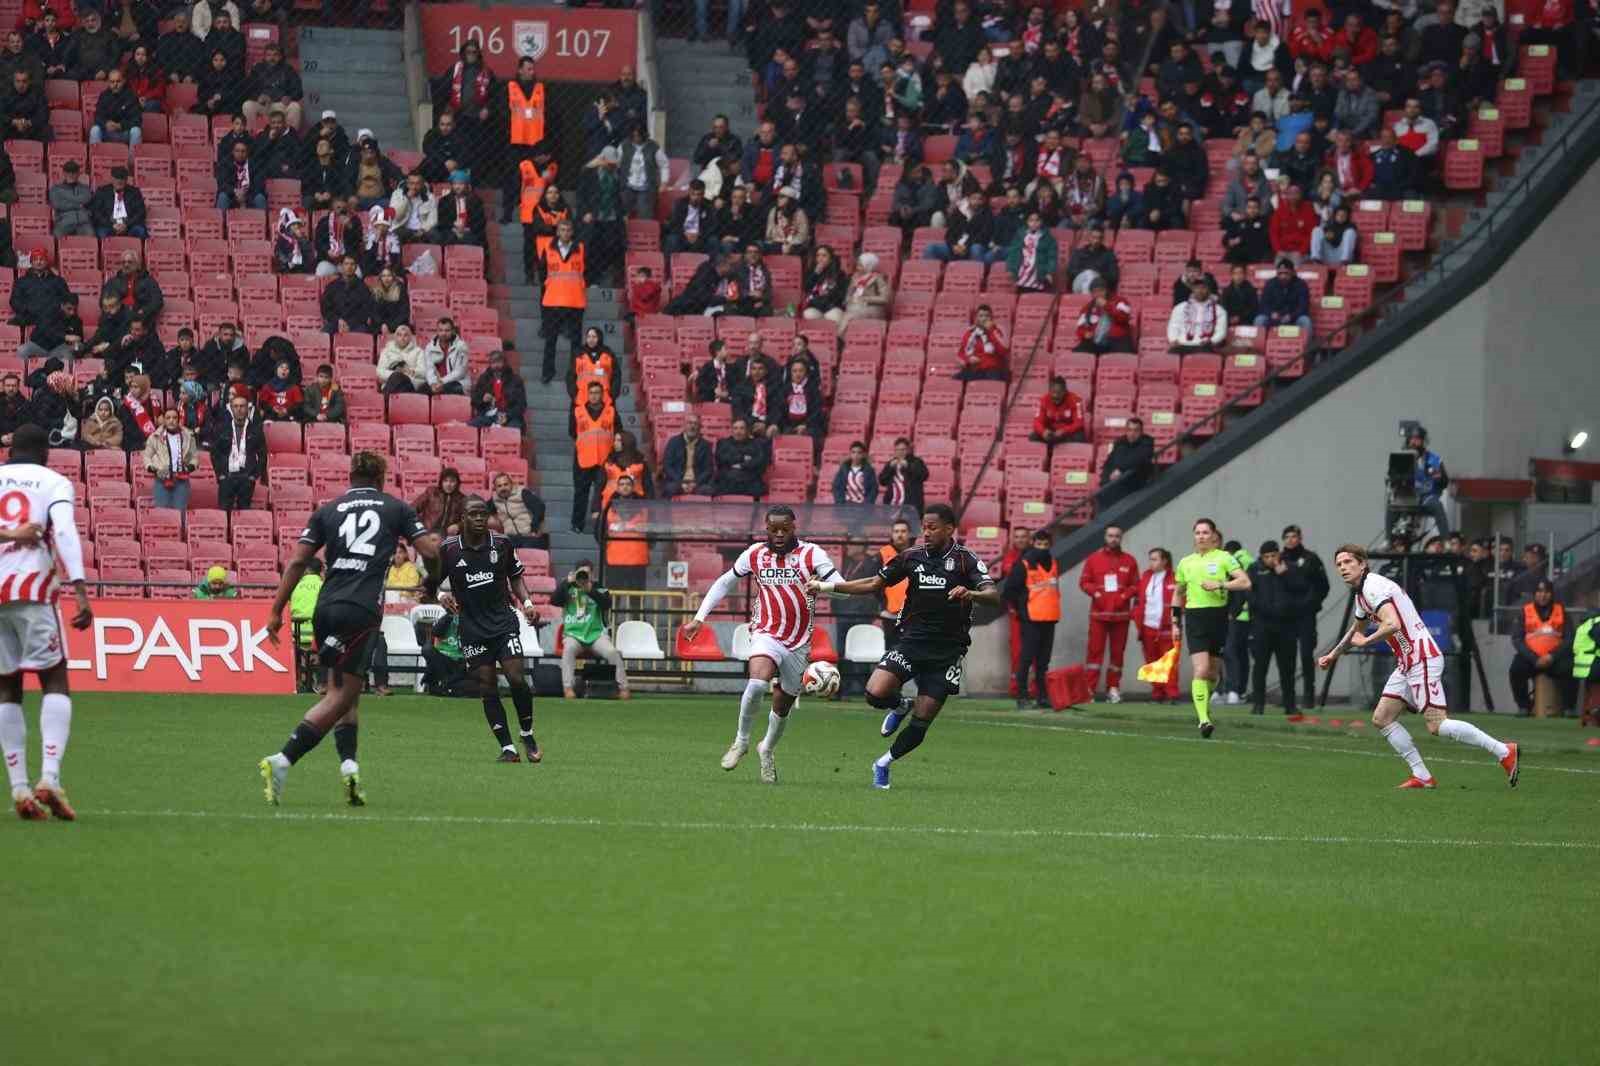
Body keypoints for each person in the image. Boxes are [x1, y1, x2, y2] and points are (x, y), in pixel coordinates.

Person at [259, 452, 443, 807]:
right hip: (360, 610)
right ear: (382, 476)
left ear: (350, 475)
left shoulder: (328, 510)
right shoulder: (396, 508)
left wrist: (276, 610)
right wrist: (433, 578)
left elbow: (298, 560)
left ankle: (349, 770)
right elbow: (428, 551)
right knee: (340, 696)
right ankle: (282, 760)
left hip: (325, 608)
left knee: (343, 689)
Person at [811, 505, 999, 790]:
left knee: (922, 722)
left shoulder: (965, 560)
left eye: (933, 527)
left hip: (948, 652)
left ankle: (883, 763)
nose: (926, 531)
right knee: (875, 693)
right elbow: (875, 583)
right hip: (913, 642)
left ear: (950, 529)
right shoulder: (911, 557)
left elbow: (992, 595)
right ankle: (900, 705)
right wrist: (827, 588)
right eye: (924, 526)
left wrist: (969, 592)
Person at [1318, 544, 1519, 789]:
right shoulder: (1363, 594)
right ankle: (1422, 776)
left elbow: (1391, 623)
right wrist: (1333, 654)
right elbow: (1356, 630)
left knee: (1437, 724)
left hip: (1421, 658)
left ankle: (1503, 751)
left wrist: (1367, 641)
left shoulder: (1373, 586)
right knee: (1382, 718)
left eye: (1348, 562)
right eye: (1339, 564)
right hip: (1408, 662)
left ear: (1362, 563)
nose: (1343, 568)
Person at [683, 506, 839, 784]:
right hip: (766, 632)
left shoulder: (812, 554)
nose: (779, 535)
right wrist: (699, 618)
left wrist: (824, 586)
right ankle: (741, 741)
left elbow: (842, 586)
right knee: (756, 682)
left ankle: (766, 748)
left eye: (784, 529)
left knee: (782, 705)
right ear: (766, 529)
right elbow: (724, 582)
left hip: (800, 642)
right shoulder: (755, 554)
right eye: (773, 529)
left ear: (794, 527)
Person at [0, 424, 93, 822]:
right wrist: (80, 588)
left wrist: (7, 532)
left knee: (6, 687)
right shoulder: (54, 482)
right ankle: (50, 778)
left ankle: (19, 787)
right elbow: (66, 533)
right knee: (55, 678)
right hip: (33, 590)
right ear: (45, 453)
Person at [428, 497, 542, 762]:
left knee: (516, 678)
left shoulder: (501, 543)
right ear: (462, 518)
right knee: (488, 686)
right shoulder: (449, 549)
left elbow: (516, 576)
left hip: (503, 622)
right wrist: (440, 595)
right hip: (471, 627)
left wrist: (526, 603)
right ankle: (507, 748)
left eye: (483, 514)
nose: (479, 519)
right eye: (473, 514)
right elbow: (431, 582)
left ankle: (527, 732)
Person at [1172, 518, 1252, 737]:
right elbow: (1178, 593)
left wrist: (1221, 584)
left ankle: (1203, 707)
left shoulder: (1224, 558)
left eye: (1205, 532)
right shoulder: (1185, 562)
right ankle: (1204, 720)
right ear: (1194, 536)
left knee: (1213, 672)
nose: (1201, 536)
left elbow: (1245, 582)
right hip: (1195, 617)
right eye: (1197, 532)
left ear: (1213, 536)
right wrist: (1175, 622)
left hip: (1218, 618)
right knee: (1201, 669)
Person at [1245, 540, 1310, 716]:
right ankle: (1258, 705)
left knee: (1287, 668)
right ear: (1262, 557)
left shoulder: (1290, 568)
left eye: (1273, 555)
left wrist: (1285, 575)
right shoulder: (1254, 569)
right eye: (1267, 557)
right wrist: (1264, 610)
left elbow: (1302, 590)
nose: (1271, 560)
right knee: (1260, 667)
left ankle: (1289, 704)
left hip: (1286, 626)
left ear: (1278, 554)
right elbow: (1249, 594)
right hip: (1262, 626)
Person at [1080, 524, 1141, 703]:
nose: (1113, 539)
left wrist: (1123, 596)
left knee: (1117, 654)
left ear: (1121, 538)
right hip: (1099, 616)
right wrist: (1097, 594)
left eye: (1117, 536)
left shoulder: (1129, 561)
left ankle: (1113, 689)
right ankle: (1089, 690)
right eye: (1110, 536)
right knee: (1094, 654)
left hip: (1121, 616)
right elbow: (1084, 582)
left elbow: (1136, 585)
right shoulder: (1093, 559)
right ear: (1105, 537)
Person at [552, 562, 629, 702]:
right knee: (568, 650)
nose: (583, 577)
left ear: (592, 575)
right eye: (580, 574)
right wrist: (566, 582)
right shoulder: (568, 588)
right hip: (573, 634)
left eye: (586, 574)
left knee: (612, 652)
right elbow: (554, 600)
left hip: (596, 635)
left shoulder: (599, 588)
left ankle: (623, 688)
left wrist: (590, 590)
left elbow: (607, 604)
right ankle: (568, 688)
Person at [1004, 528, 1061, 711]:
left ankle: (1042, 696)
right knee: (1026, 659)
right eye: (1039, 544)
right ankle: (1022, 696)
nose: (1042, 548)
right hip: (1031, 619)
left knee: (1043, 662)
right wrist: (1021, 611)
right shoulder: (1024, 564)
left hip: (1050, 619)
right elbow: (1009, 591)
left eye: (1045, 545)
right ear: (1033, 544)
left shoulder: (1053, 563)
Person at [1508, 579, 1574, 717]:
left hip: (1555, 659)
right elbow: (1517, 639)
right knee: (1516, 669)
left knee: (1570, 669)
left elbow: (1569, 638)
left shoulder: (1561, 610)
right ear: (1534, 594)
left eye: (1546, 592)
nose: (1543, 595)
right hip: (1531, 659)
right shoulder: (1525, 611)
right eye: (1539, 592)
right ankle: (1523, 707)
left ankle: (1569, 708)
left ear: (1552, 594)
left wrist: (1552, 656)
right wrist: (1534, 658)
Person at [540, 217, 586, 386]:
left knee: (575, 341)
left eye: (568, 230)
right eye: (562, 230)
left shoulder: (580, 249)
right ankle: (547, 372)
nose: (565, 233)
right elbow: (541, 271)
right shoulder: (547, 247)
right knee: (550, 340)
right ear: (557, 232)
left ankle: (574, 373)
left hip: (575, 301)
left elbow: (585, 271)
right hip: (553, 300)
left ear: (572, 232)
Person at [570, 381, 615, 532]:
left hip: (604, 460)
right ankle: (577, 524)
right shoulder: (577, 411)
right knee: (581, 492)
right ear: (587, 394)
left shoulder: (611, 411)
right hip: (583, 459)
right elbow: (572, 432)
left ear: (602, 394)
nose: (594, 396)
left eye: (597, 392)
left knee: (604, 493)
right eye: (592, 393)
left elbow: (618, 432)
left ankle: (602, 525)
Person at [1137, 548, 1180, 703]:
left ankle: (1172, 694)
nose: (1151, 563)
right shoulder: (1146, 576)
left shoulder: (1174, 578)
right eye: (1150, 559)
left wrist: (1176, 621)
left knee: (1168, 662)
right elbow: (1140, 600)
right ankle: (1157, 693)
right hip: (1148, 625)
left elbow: (1182, 601)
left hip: (1166, 627)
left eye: (1155, 559)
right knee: (1152, 661)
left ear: (1164, 561)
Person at [143, 407, 197, 510]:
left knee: (180, 514)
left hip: (181, 480)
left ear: (179, 419)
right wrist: (154, 469)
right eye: (168, 418)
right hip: (162, 480)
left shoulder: (188, 437)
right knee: (162, 514)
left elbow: (194, 457)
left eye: (174, 418)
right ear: (164, 420)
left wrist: (189, 468)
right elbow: (147, 457)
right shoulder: (155, 437)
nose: (171, 420)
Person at [1407, 425, 1450, 536]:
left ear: (1423, 442)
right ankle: (1388, 540)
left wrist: (1439, 478)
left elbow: (1445, 481)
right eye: (1412, 439)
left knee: (1437, 505)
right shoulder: (1402, 458)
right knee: (1391, 506)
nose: (1414, 442)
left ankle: (1446, 541)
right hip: (1407, 496)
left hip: (1428, 496)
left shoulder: (1434, 459)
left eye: (1417, 439)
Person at [1166, 277, 1228, 353]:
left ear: (1209, 290)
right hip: (1182, 344)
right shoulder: (1180, 307)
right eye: (1197, 288)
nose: (1200, 291)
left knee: (1208, 355)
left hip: (1204, 345)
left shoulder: (1219, 310)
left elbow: (1221, 331)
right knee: (1171, 355)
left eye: (1203, 288)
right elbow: (1173, 326)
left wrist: (1212, 341)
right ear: (1192, 289)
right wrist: (1173, 339)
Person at [489, 472, 546, 550]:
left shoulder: (522, 493)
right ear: (495, 488)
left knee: (527, 554)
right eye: (499, 486)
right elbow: (482, 510)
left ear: (511, 484)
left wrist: (534, 528)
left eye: (506, 484)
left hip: (529, 536)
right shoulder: (495, 499)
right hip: (510, 538)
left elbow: (540, 507)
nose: (503, 488)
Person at [712, 418, 768, 498]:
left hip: (749, 482)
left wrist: (742, 465)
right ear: (731, 430)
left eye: (742, 428)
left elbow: (760, 462)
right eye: (735, 428)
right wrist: (743, 458)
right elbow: (721, 459)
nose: (738, 432)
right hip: (728, 482)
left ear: (747, 430)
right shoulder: (723, 443)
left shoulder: (756, 444)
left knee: (759, 489)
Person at [1004, 210, 1057, 293]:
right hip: (1022, 272)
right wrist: (1011, 269)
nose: (1034, 223)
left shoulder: (1048, 238)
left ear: (1041, 221)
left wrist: (1049, 272)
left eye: (1037, 220)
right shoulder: (1020, 235)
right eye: (1031, 220)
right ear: (1027, 222)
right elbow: (1013, 253)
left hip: (1039, 272)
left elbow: (1052, 257)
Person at [661, 414, 714, 498]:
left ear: (699, 427)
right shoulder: (673, 442)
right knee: (670, 489)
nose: (692, 426)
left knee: (708, 490)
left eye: (695, 424)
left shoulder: (705, 445)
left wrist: (695, 483)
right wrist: (680, 482)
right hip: (677, 481)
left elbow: (708, 469)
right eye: (689, 423)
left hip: (697, 482)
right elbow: (667, 466)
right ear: (684, 425)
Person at [954, 304, 1009, 382]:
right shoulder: (970, 332)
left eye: (987, 316)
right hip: (974, 370)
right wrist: (968, 360)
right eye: (981, 316)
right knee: (955, 380)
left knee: (993, 380)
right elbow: (960, 354)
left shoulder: (997, 331)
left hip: (992, 370)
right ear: (976, 318)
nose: (984, 319)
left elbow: (1004, 350)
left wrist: (991, 331)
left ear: (991, 318)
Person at [1255, 258, 1313, 331]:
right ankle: (1260, 342)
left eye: (1286, 273)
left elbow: (1303, 307)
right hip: (1274, 318)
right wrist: (1271, 313)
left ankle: (1305, 343)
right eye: (1280, 273)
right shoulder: (1270, 284)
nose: (1283, 276)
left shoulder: (1301, 284)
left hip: (1293, 318)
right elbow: (1263, 304)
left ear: (1293, 272)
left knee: (1305, 321)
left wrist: (1291, 316)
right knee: (1260, 320)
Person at [877, 437, 928, 517]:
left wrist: (908, 466)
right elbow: (882, 481)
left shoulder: (916, 461)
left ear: (908, 450)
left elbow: (924, 476)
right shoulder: (891, 463)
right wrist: (890, 468)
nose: (900, 452)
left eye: (903, 450)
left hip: (910, 505)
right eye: (897, 450)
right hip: (893, 504)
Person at [1031, 376, 1086, 448]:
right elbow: (1037, 422)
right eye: (1053, 392)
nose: (1055, 395)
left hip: (1067, 433)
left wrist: (1064, 431)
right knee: (1033, 437)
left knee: (1080, 437)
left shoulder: (1075, 400)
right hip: (1051, 433)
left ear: (1065, 391)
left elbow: (1079, 422)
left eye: (1058, 393)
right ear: (1049, 391)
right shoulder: (1043, 400)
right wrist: (1043, 431)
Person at [412, 468, 466, 538]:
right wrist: (419, 526)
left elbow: (469, 519)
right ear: (441, 482)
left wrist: (458, 526)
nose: (448, 484)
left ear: (457, 483)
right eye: (445, 481)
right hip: (428, 535)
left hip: (449, 538)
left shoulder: (462, 499)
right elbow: (411, 510)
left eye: (452, 481)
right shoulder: (431, 493)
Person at [832, 440, 877, 506]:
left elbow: (873, 489)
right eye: (853, 452)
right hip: (845, 506)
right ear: (850, 454)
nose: (856, 455)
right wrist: (840, 503)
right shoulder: (843, 469)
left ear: (863, 455)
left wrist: (867, 505)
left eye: (859, 453)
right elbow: (836, 487)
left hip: (863, 507)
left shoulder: (869, 470)